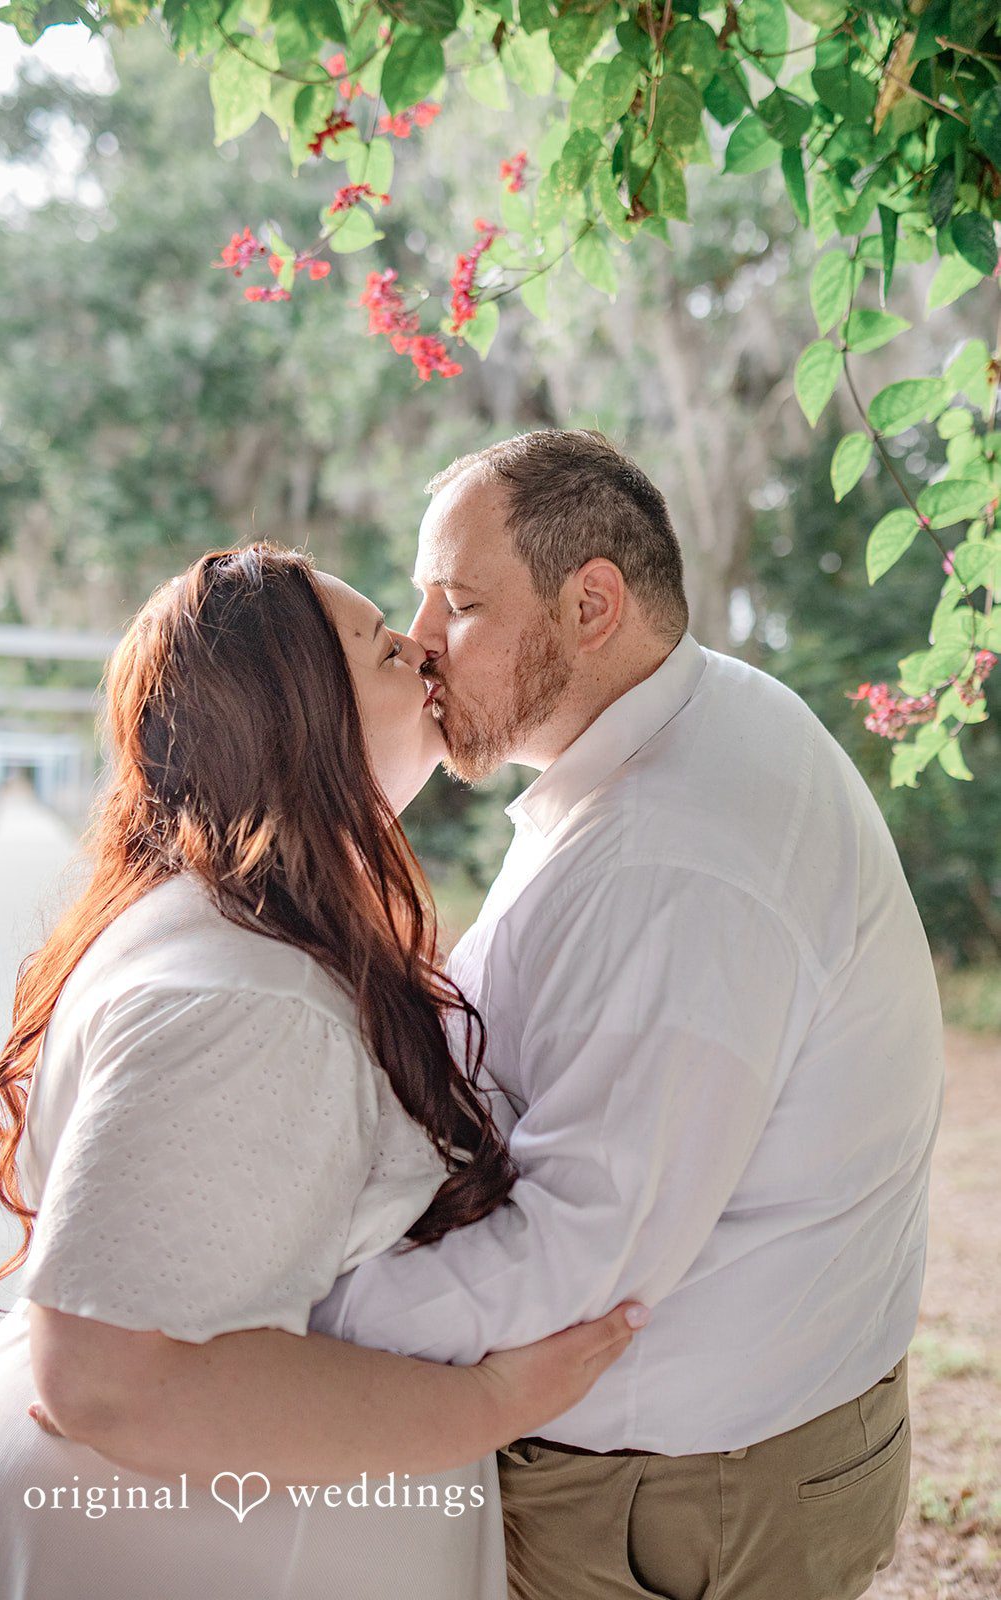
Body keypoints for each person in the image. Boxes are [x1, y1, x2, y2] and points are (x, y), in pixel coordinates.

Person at [0, 543, 647, 1600]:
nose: (422, 647)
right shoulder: (245, 997)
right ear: (296, 710)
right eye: (378, 644)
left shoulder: (233, 925)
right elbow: (108, 1379)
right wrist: (492, 1403)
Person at [307, 428, 946, 1600]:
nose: (420, 641)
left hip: (681, 1499)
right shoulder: (664, 735)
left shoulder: (679, 859)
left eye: (459, 601)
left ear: (589, 605)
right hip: (709, 1455)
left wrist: (300, 1310)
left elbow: (576, 1252)